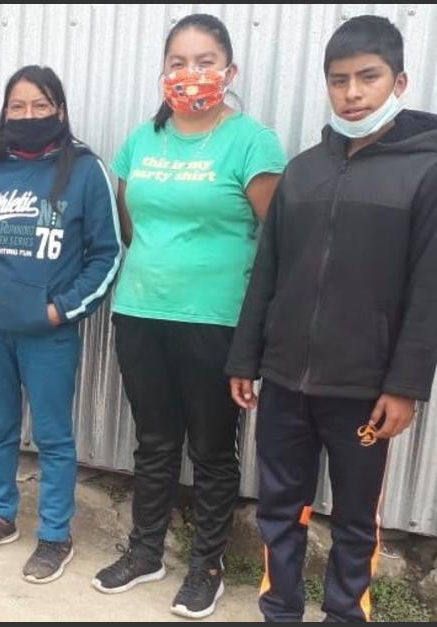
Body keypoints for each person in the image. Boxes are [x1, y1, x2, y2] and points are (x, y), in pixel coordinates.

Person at [226, 15, 437, 622]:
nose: (353, 93)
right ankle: (280, 610)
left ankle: (346, 614)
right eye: (339, 80)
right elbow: (267, 272)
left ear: (399, 81)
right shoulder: (303, 170)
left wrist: (403, 387)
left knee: (353, 518)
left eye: (367, 78)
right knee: (278, 507)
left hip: (364, 391)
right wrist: (247, 358)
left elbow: (429, 291)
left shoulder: (424, 172)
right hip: (287, 381)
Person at [91, 14, 287, 619]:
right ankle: (147, 551)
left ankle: (206, 564)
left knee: (210, 448)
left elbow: (278, 240)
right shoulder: (141, 140)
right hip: (140, 312)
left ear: (229, 72)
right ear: (162, 71)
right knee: (152, 441)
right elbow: (127, 223)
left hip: (216, 320)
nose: (190, 74)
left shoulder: (253, 141)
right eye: (178, 61)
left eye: (204, 61)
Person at [0, 65, 122, 584]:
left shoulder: (86, 171)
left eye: (40, 106)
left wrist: (59, 309)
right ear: (4, 112)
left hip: (48, 335)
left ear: (59, 111)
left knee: (53, 437)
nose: (28, 116)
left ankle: (54, 536)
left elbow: (106, 256)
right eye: (17, 107)